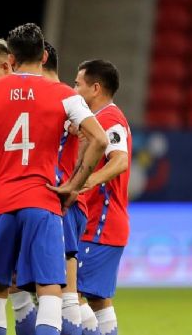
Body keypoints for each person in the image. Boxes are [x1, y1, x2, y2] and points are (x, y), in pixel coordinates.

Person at [0, 23, 108, 335]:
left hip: (1, 201)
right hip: (44, 201)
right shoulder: (64, 95)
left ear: (11, 59)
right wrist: (73, 185)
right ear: (43, 56)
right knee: (50, 292)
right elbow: (98, 140)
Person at [74, 60, 131, 335]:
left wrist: (89, 181)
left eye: (77, 83)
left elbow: (120, 160)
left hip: (101, 224)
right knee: (98, 301)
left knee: (68, 292)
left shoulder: (109, 119)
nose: (74, 89)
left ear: (95, 88)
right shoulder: (98, 119)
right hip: (102, 225)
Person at [41, 41, 91, 335]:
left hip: (60, 201)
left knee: (65, 291)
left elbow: (88, 135)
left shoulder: (65, 99)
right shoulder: (51, 98)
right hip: (45, 200)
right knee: (52, 289)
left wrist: (74, 182)